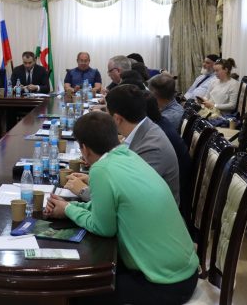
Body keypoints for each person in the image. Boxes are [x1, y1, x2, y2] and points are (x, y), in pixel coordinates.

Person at [46, 112, 198, 305]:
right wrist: (71, 206)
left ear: (84, 149)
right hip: (185, 270)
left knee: (79, 292)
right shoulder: (129, 155)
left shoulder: (100, 170)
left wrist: (68, 209)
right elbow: (110, 206)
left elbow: (104, 228)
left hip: (165, 283)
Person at [106, 84, 180, 204]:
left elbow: (127, 197)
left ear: (117, 119)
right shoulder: (146, 128)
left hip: (153, 212)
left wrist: (84, 191)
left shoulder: (151, 148)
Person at [145, 94, 192, 218]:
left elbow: (141, 188)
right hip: (173, 193)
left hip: (167, 207)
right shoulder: (160, 123)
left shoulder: (154, 139)